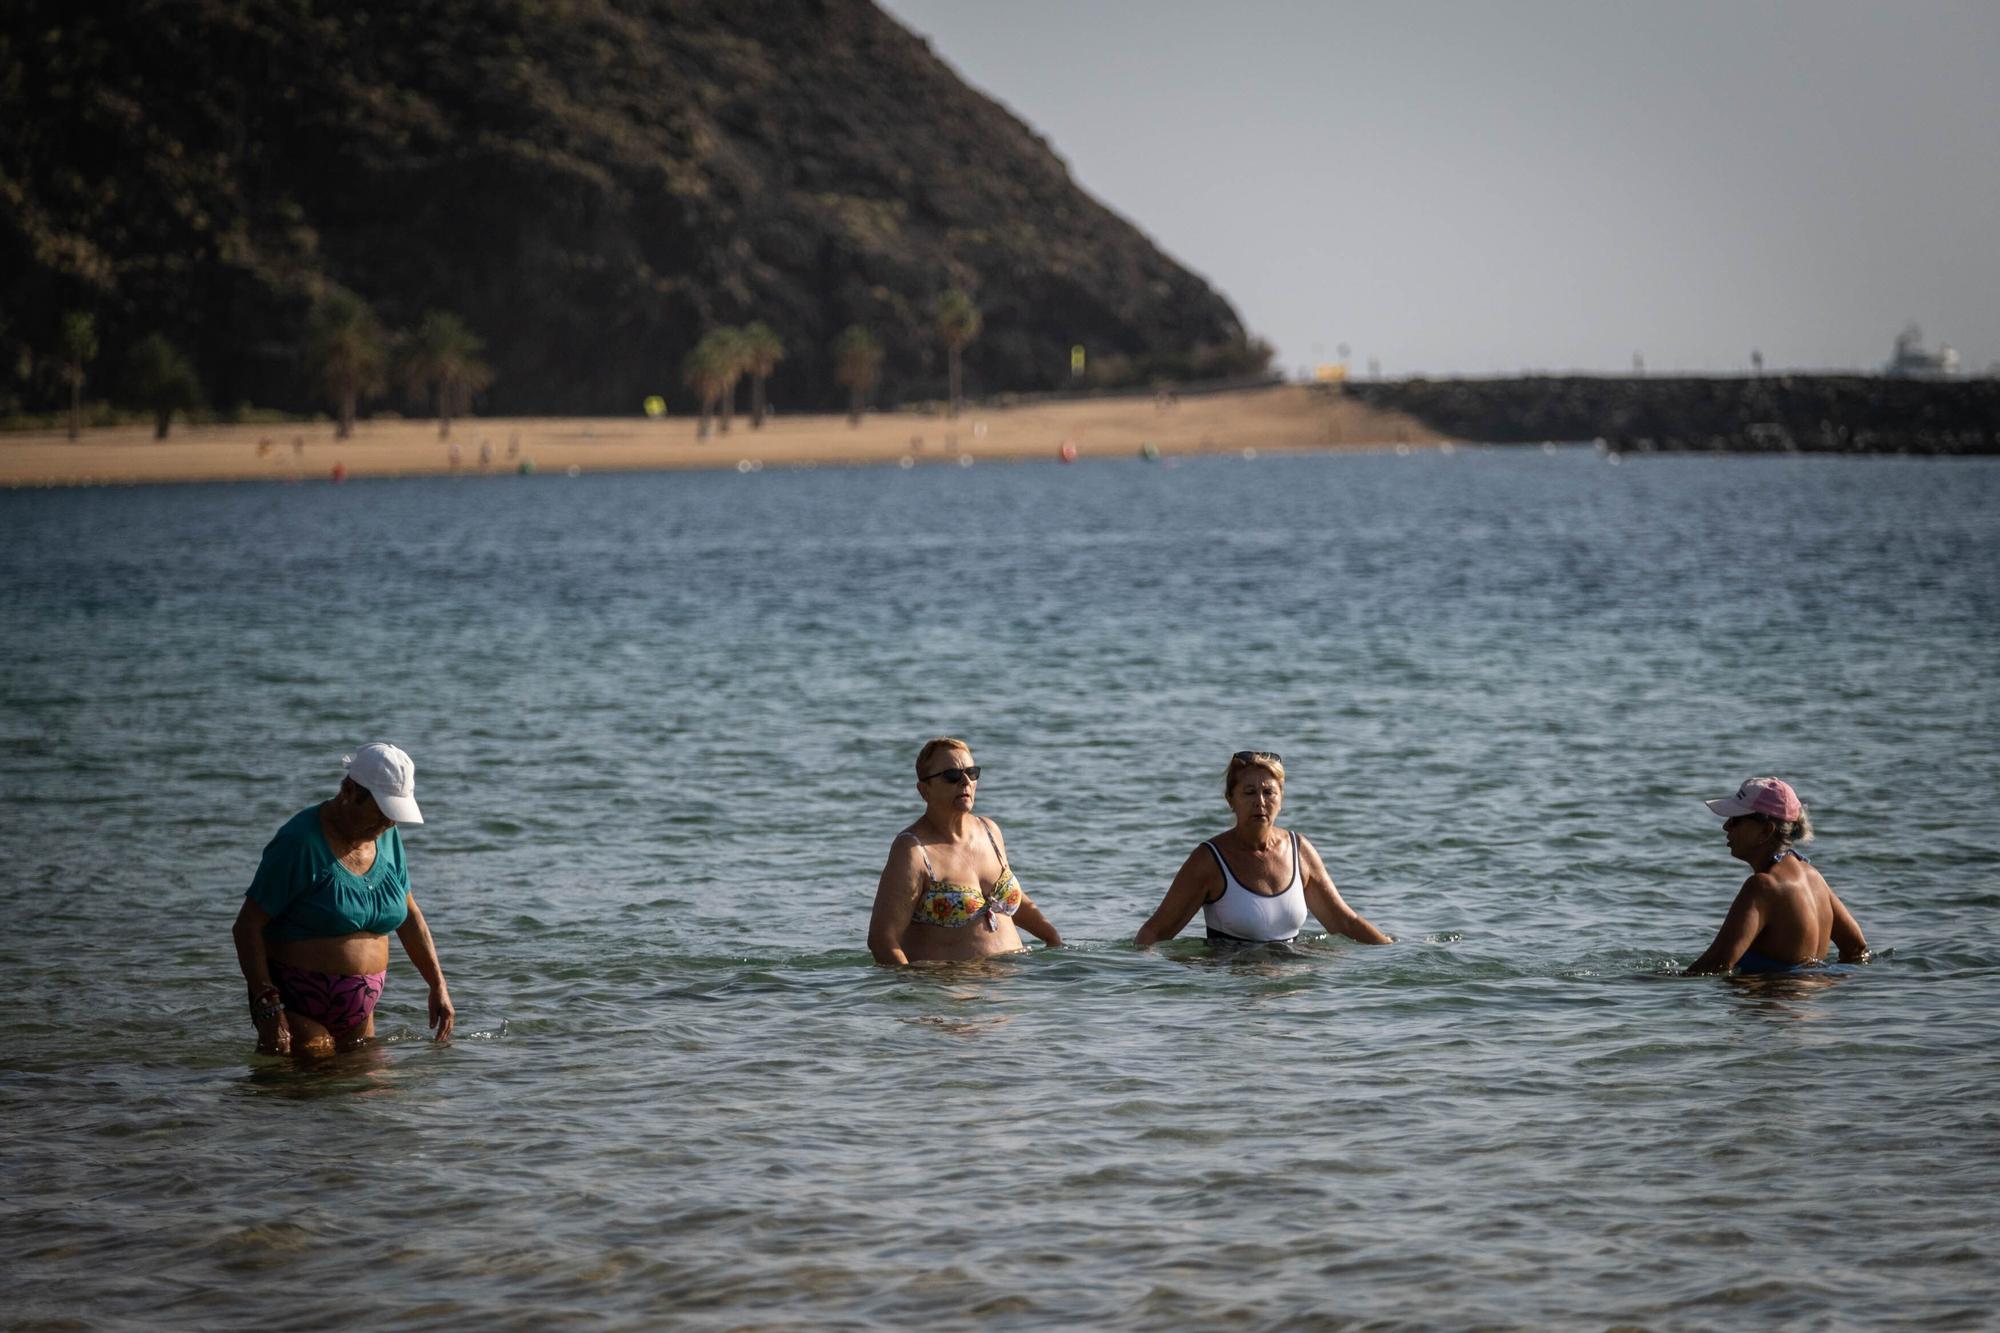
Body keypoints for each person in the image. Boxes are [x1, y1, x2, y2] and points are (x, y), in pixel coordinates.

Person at [230, 742, 454, 1054]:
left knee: (367, 1099)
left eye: (393, 815)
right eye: (381, 812)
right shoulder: (300, 842)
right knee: (306, 1090)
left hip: (360, 1016)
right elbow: (247, 927)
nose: (387, 824)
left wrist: (437, 984)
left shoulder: (386, 837)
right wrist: (267, 1005)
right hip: (295, 1007)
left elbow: (409, 914)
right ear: (349, 790)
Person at [1136, 750, 1393, 948]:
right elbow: (1155, 932)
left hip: (1293, 992)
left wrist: (1393, 953)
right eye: (1249, 792)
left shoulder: (1299, 850)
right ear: (1231, 800)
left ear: (1281, 798)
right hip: (1233, 993)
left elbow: (1345, 922)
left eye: (1269, 792)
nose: (1260, 802)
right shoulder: (1209, 859)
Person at [868, 737, 1062, 964]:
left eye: (972, 772)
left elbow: (1010, 903)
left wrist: (1053, 939)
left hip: (1012, 988)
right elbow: (882, 940)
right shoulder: (912, 850)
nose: (965, 781)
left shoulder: (989, 830)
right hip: (950, 990)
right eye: (951, 775)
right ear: (924, 790)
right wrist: (915, 992)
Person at [1686, 776, 1868, 975]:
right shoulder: (1813, 877)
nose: (1726, 826)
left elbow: (1716, 965)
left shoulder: (1763, 886)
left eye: (1736, 820)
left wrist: (1650, 985)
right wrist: (1820, 985)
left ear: (1766, 830)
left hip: (1769, 1005)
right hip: (1809, 1005)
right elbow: (1856, 949)